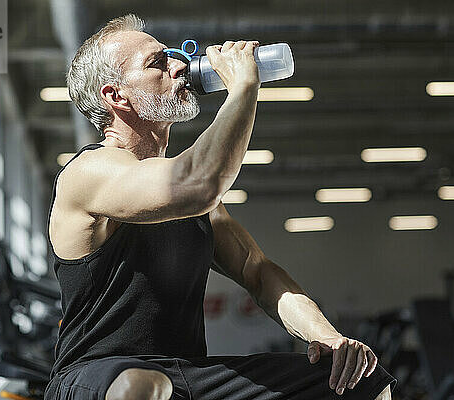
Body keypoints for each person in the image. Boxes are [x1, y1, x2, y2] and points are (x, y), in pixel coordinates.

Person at [45, 13, 396, 400]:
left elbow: (258, 272)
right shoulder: (89, 172)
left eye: (173, 56)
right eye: (158, 63)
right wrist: (243, 86)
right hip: (94, 375)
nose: (179, 67)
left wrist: (328, 338)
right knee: (143, 386)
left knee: (362, 381)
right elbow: (198, 184)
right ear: (115, 96)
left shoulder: (194, 199)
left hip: (187, 375)